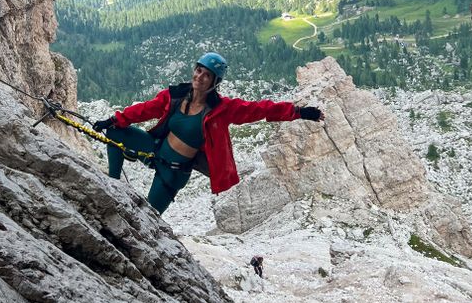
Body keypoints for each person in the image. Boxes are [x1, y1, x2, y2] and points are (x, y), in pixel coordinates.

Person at [94, 51, 324, 215]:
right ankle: (114, 185)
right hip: (155, 150)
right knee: (115, 132)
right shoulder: (175, 96)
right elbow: (145, 109)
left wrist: (299, 112)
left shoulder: (221, 110)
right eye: (198, 70)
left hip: (173, 173)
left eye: (207, 75)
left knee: (148, 217)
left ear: (215, 82)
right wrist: (114, 119)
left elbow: (260, 109)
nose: (199, 77)